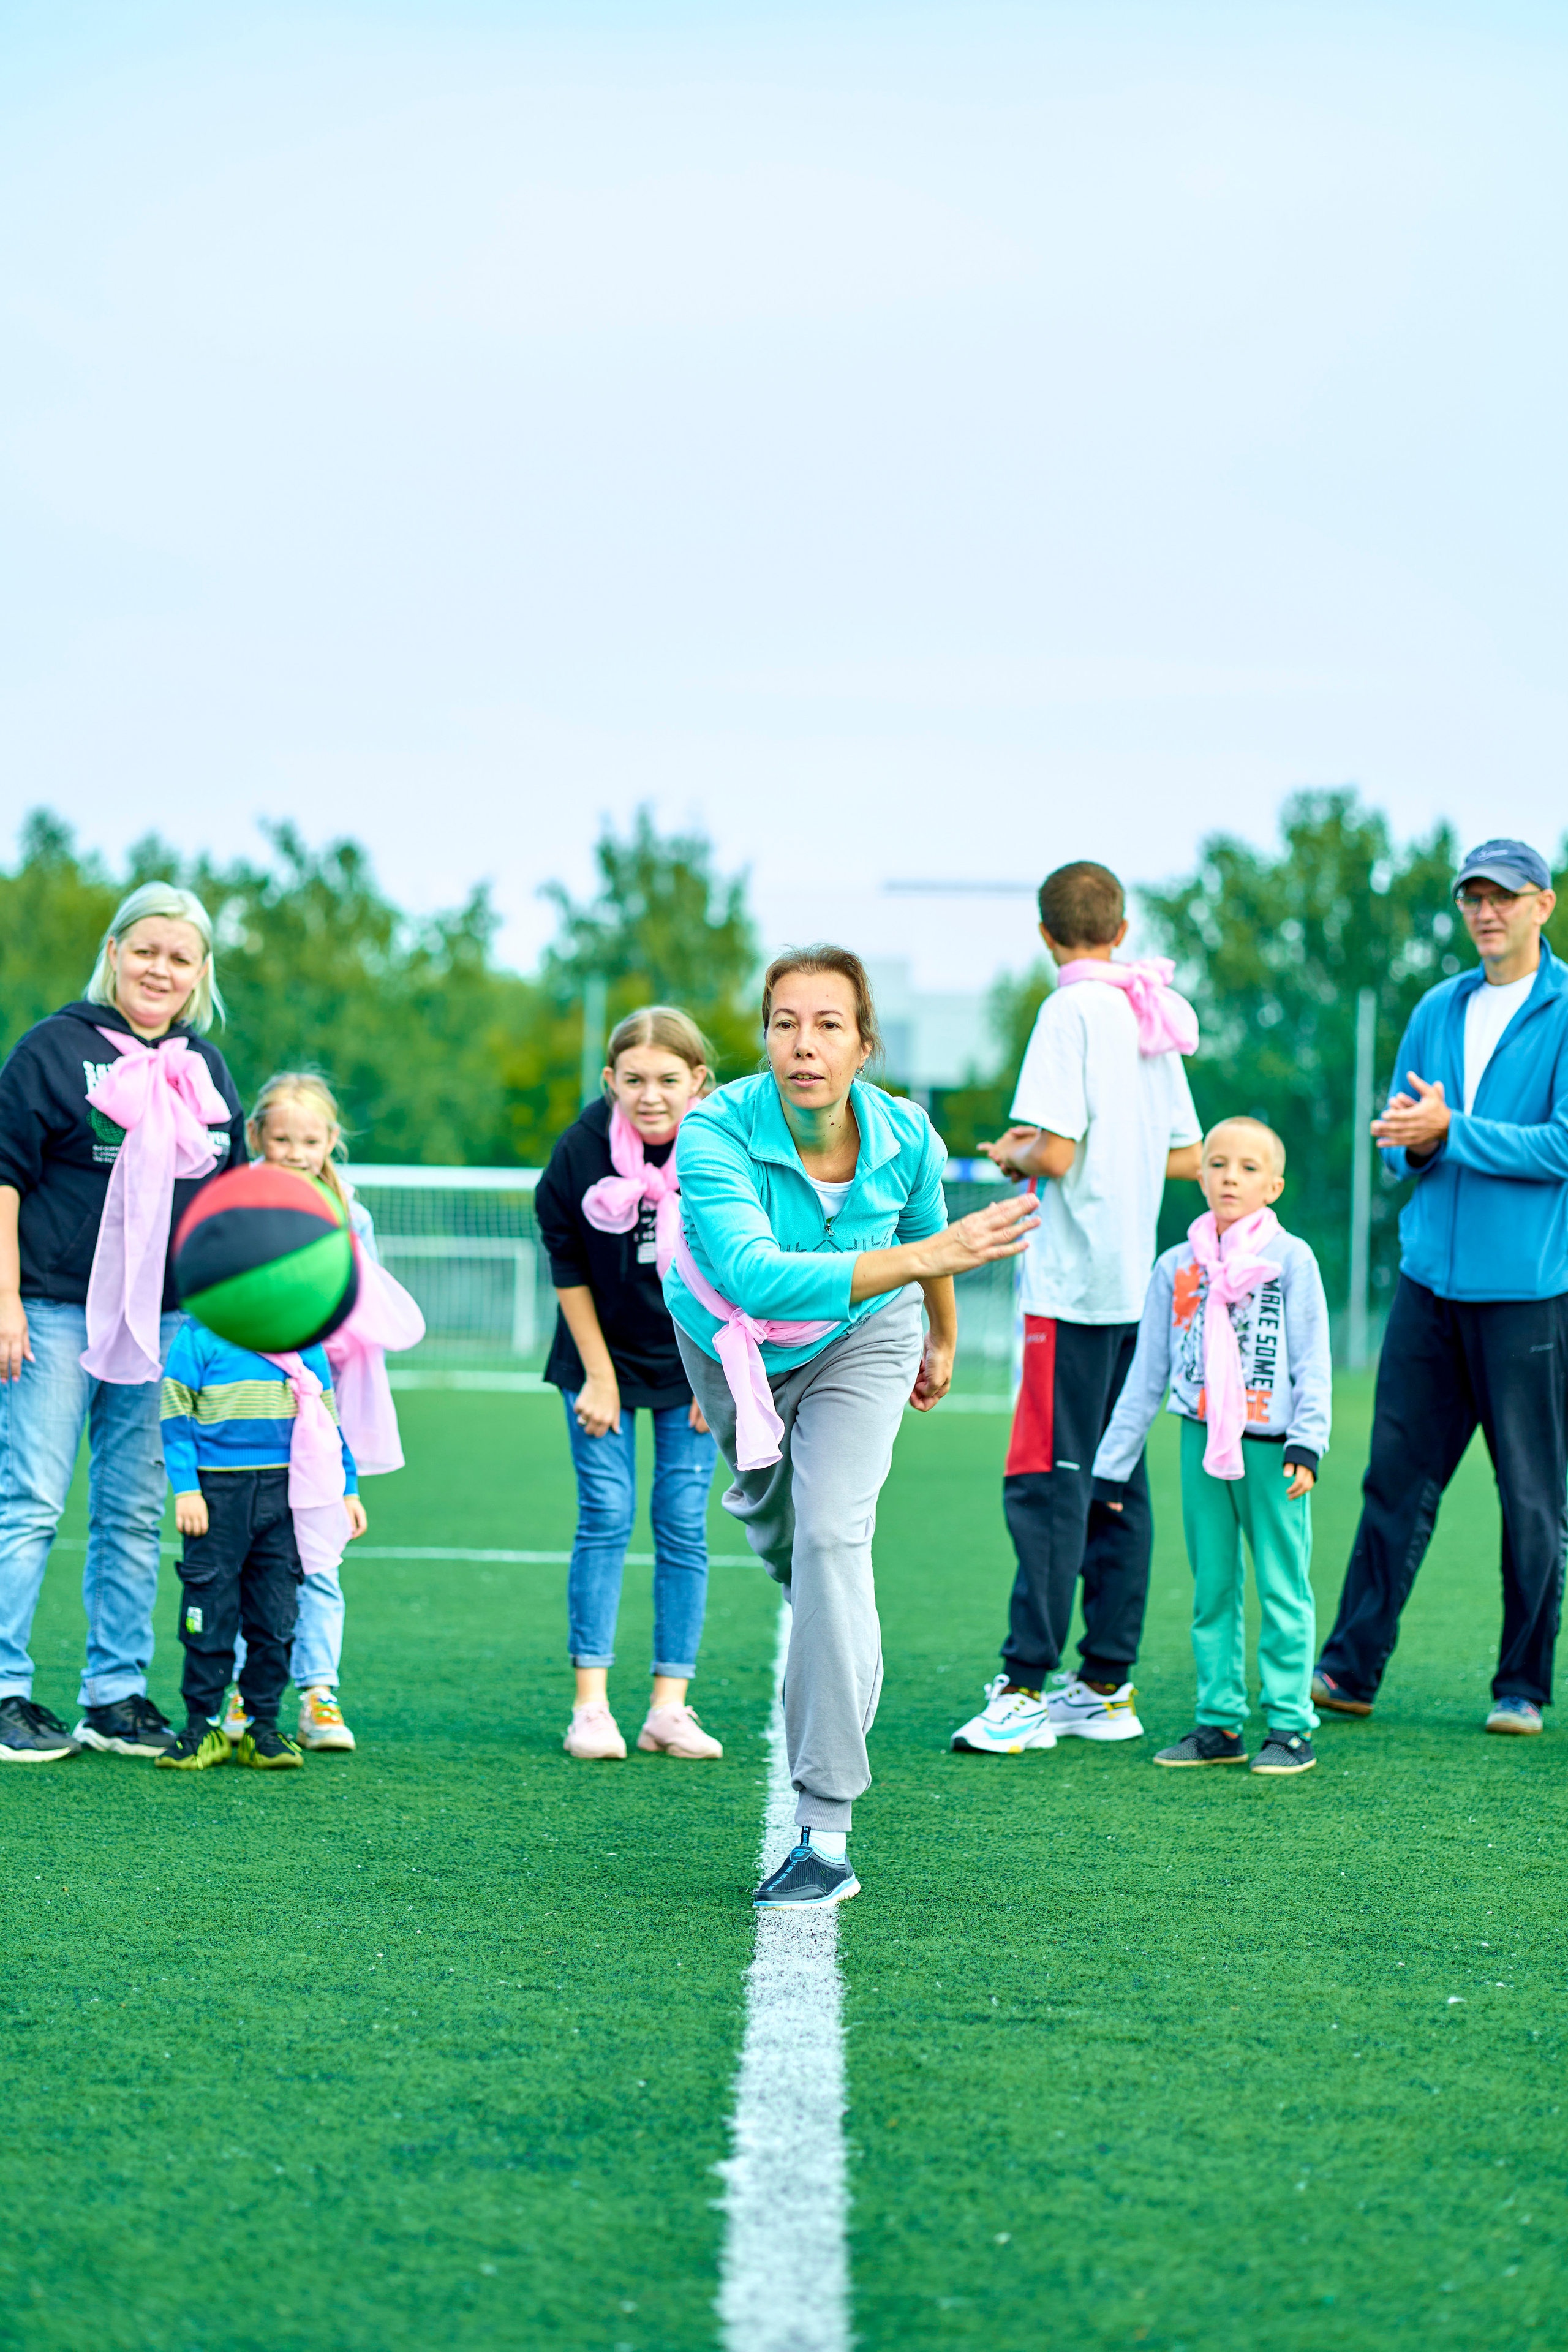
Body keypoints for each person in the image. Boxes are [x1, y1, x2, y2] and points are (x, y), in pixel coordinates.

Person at [666, 946, 1038, 1909]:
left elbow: (930, 1242)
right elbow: (751, 1274)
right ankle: (844, 1631)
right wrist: (928, 1256)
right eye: (785, 1022)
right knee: (791, 1544)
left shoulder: (905, 1133)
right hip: (733, 1350)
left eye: (829, 1024)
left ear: (864, 1044)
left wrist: (942, 1340)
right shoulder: (713, 1132)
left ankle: (823, 1832)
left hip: (865, 1341)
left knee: (833, 1537)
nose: (804, 1044)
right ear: (765, 1038)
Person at [1314, 837, 1568, 1736]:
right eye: (1472, 898)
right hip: (1429, 1287)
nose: (1485, 912)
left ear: (1544, 903)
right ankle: (1348, 1671)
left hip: (1530, 1294)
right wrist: (1419, 1141)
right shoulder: (1437, 1006)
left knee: (1533, 1498)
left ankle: (1522, 1688)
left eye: (1503, 896)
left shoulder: (1566, 1008)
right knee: (1393, 1482)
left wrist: (1453, 1130)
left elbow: (1564, 1145)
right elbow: (1398, 1138)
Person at [949, 861, 1202, 1759]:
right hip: (1138, 1285)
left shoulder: (1070, 1011)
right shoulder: (1145, 1013)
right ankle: (1103, 1685)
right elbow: (1187, 1154)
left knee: (1046, 1485)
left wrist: (1015, 1152)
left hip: (1074, 1290)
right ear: (1121, 928)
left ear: (1046, 935)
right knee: (1117, 1484)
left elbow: (1055, 1152)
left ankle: (1022, 1689)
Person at [0, 882, 246, 1763]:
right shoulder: (52, 1050)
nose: (160, 968)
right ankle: (6, 1691)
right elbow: (5, 1179)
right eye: (145, 950)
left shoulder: (207, 1070)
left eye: (180, 957)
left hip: (168, 1325)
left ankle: (114, 1694)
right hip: (53, 1312)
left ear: (200, 973)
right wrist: (3, 1303)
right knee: (28, 1503)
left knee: (135, 1510)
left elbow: (234, 1205)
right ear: (113, 953)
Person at [1092, 1118, 1332, 1775]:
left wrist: (1307, 1444)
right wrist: (1110, 1468)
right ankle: (1218, 1724)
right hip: (1200, 1443)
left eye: (1249, 1168)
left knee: (1283, 1587)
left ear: (1273, 1185)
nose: (1231, 1176)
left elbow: (1313, 1360)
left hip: (1274, 1448)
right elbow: (1147, 1375)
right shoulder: (1176, 1266)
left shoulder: (1291, 1261)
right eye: (1218, 1163)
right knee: (1213, 1588)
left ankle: (1288, 1726)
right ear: (1199, 1176)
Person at [535, 1007, 723, 1763]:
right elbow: (567, 1265)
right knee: (607, 1514)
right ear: (610, 1080)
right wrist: (599, 1376)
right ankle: (591, 1708)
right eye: (635, 1080)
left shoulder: (723, 1151)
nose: (652, 1096)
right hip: (598, 1358)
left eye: (670, 1080)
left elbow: (740, 1269)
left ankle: (668, 1709)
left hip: (693, 1358)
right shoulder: (581, 1150)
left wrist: (721, 1380)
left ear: (698, 1083)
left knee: (682, 1522)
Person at [224, 1072, 422, 1754]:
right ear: (256, 1137)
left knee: (319, 1559)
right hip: (247, 1414)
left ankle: (318, 1693)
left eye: (310, 1139)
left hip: (316, 1418)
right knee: (249, 1561)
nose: (295, 1150)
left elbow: (355, 1313)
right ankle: (248, 1699)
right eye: (281, 1138)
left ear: (332, 1141)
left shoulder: (350, 1216)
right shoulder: (234, 1204)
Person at [156, 1319, 360, 1771]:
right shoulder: (199, 1335)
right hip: (215, 1496)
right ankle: (201, 1725)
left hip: (286, 1494)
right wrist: (187, 1488)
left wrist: (347, 1489)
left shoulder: (301, 1337)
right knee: (209, 1610)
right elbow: (175, 1412)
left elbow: (329, 1420)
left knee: (276, 1615)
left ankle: (262, 1726)